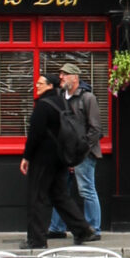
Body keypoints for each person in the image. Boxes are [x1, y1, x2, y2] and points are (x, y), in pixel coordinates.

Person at [20, 73, 95, 248]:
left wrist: (26, 157)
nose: (37, 86)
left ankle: (36, 240)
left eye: (40, 84)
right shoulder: (63, 103)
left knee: (37, 198)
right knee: (60, 196)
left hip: (43, 160)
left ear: (50, 86)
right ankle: (83, 231)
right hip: (60, 158)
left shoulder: (42, 106)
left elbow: (35, 135)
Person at [60, 64, 104, 241]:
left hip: (84, 154)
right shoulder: (61, 97)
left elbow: (96, 129)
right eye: (61, 74)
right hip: (65, 153)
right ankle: (57, 227)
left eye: (65, 74)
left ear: (75, 77)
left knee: (87, 190)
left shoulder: (87, 98)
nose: (61, 77)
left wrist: (81, 150)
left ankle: (94, 229)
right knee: (60, 190)